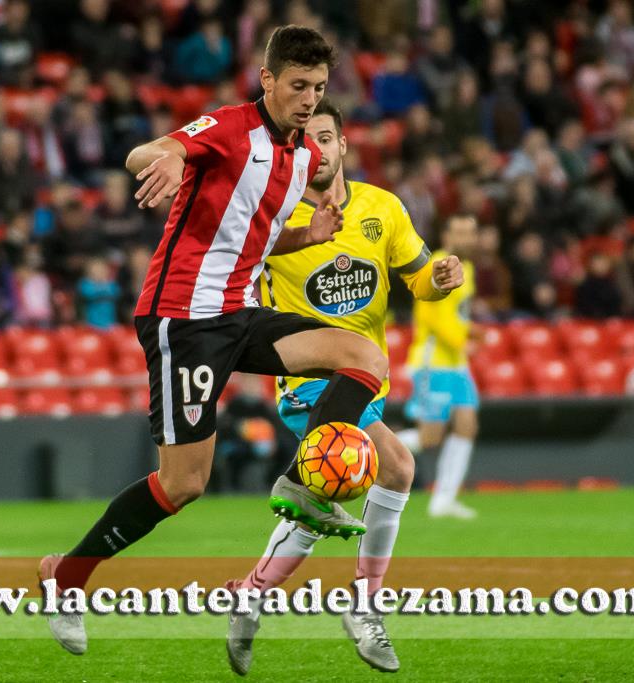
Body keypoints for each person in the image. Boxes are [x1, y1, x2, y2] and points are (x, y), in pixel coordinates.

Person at [38, 25, 463, 658]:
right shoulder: (230, 127)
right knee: (183, 484)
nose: (307, 99)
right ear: (268, 80)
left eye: (318, 89)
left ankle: (299, 482)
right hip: (183, 317)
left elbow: (256, 242)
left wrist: (309, 237)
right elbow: (142, 154)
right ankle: (65, 578)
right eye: (298, 86)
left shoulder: (296, 159)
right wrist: (175, 157)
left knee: (364, 356)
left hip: (239, 311)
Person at [226, 99, 464, 676]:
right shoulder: (273, 215)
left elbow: (419, 281)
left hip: (368, 380)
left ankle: (251, 596)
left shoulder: (382, 208)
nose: (319, 149)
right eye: (307, 140)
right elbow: (233, 258)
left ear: (343, 145)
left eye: (327, 138)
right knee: (399, 467)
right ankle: (365, 607)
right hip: (308, 382)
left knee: (320, 503)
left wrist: (438, 280)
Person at [399, 214, 481, 519]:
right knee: (429, 436)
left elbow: (455, 313)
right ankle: (364, 451)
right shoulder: (440, 262)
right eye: (460, 231)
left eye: (471, 232)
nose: (466, 237)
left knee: (466, 426)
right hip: (434, 362)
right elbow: (431, 314)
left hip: (456, 365)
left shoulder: (467, 267)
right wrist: (463, 340)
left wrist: (470, 329)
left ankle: (443, 500)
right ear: (447, 234)